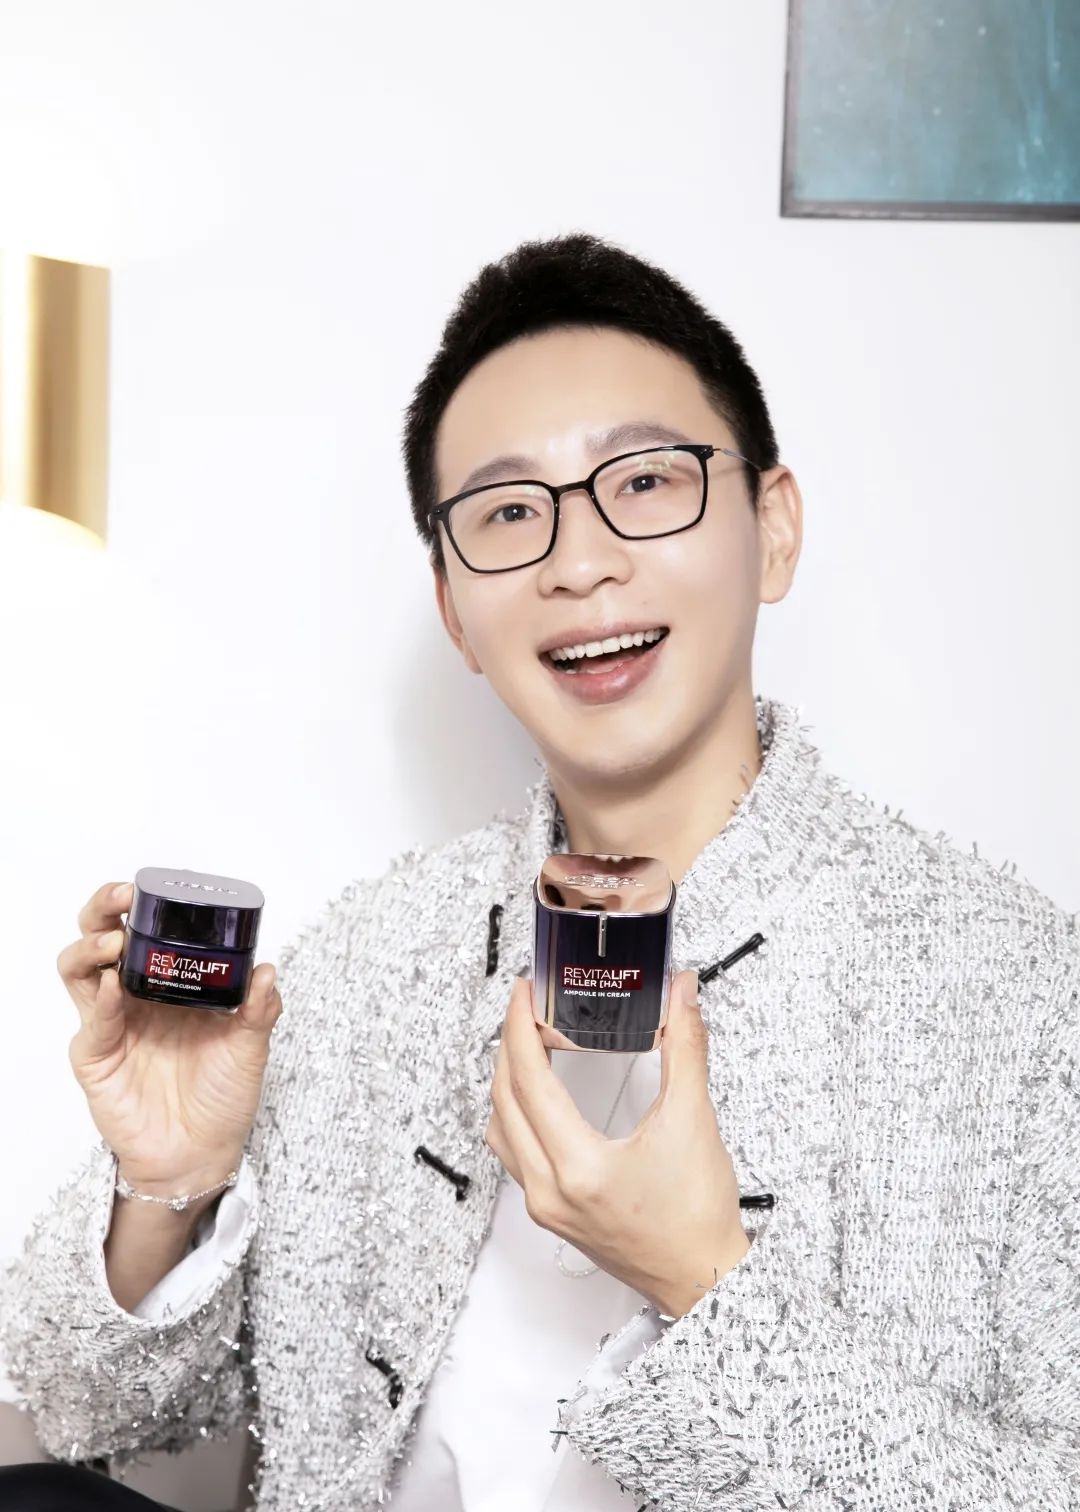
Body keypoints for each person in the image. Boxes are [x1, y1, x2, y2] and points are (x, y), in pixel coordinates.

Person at [1, 231, 1077, 1512]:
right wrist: (168, 1182)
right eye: (510, 512)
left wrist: (701, 1279)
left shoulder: (1019, 998)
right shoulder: (368, 960)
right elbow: (78, 1409)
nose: (579, 563)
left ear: (775, 528)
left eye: (647, 480)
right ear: (455, 609)